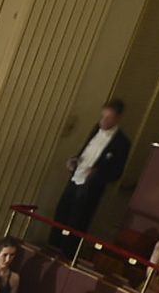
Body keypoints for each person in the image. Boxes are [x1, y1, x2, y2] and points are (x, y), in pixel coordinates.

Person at [48, 100, 130, 242]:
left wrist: (97, 172)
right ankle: (50, 247)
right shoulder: (95, 130)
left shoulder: (122, 143)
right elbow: (87, 153)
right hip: (75, 180)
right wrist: (74, 161)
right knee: (61, 215)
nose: (103, 121)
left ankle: (65, 256)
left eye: (108, 118)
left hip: (90, 188)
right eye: (102, 117)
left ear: (118, 118)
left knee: (76, 223)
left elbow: (116, 173)